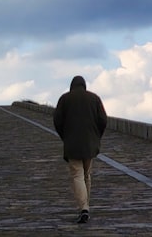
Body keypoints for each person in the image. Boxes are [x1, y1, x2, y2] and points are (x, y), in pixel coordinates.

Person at [53, 75, 107, 225]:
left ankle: (84, 208)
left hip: (72, 143)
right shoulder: (94, 98)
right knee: (87, 174)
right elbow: (103, 120)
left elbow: (57, 120)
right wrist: (96, 136)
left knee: (77, 174)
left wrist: (65, 136)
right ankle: (86, 206)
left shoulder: (64, 99)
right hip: (90, 143)